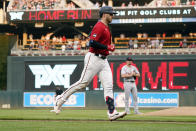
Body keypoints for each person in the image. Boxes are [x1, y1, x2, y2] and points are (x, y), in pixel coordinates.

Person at [51, 6, 127, 121]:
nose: (112, 16)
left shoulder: (106, 27)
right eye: (111, 14)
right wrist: (107, 46)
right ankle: (60, 99)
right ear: (104, 14)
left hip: (104, 60)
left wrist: (108, 47)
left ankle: (112, 112)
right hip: (94, 58)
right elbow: (91, 43)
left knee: (109, 86)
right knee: (82, 83)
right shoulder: (100, 26)